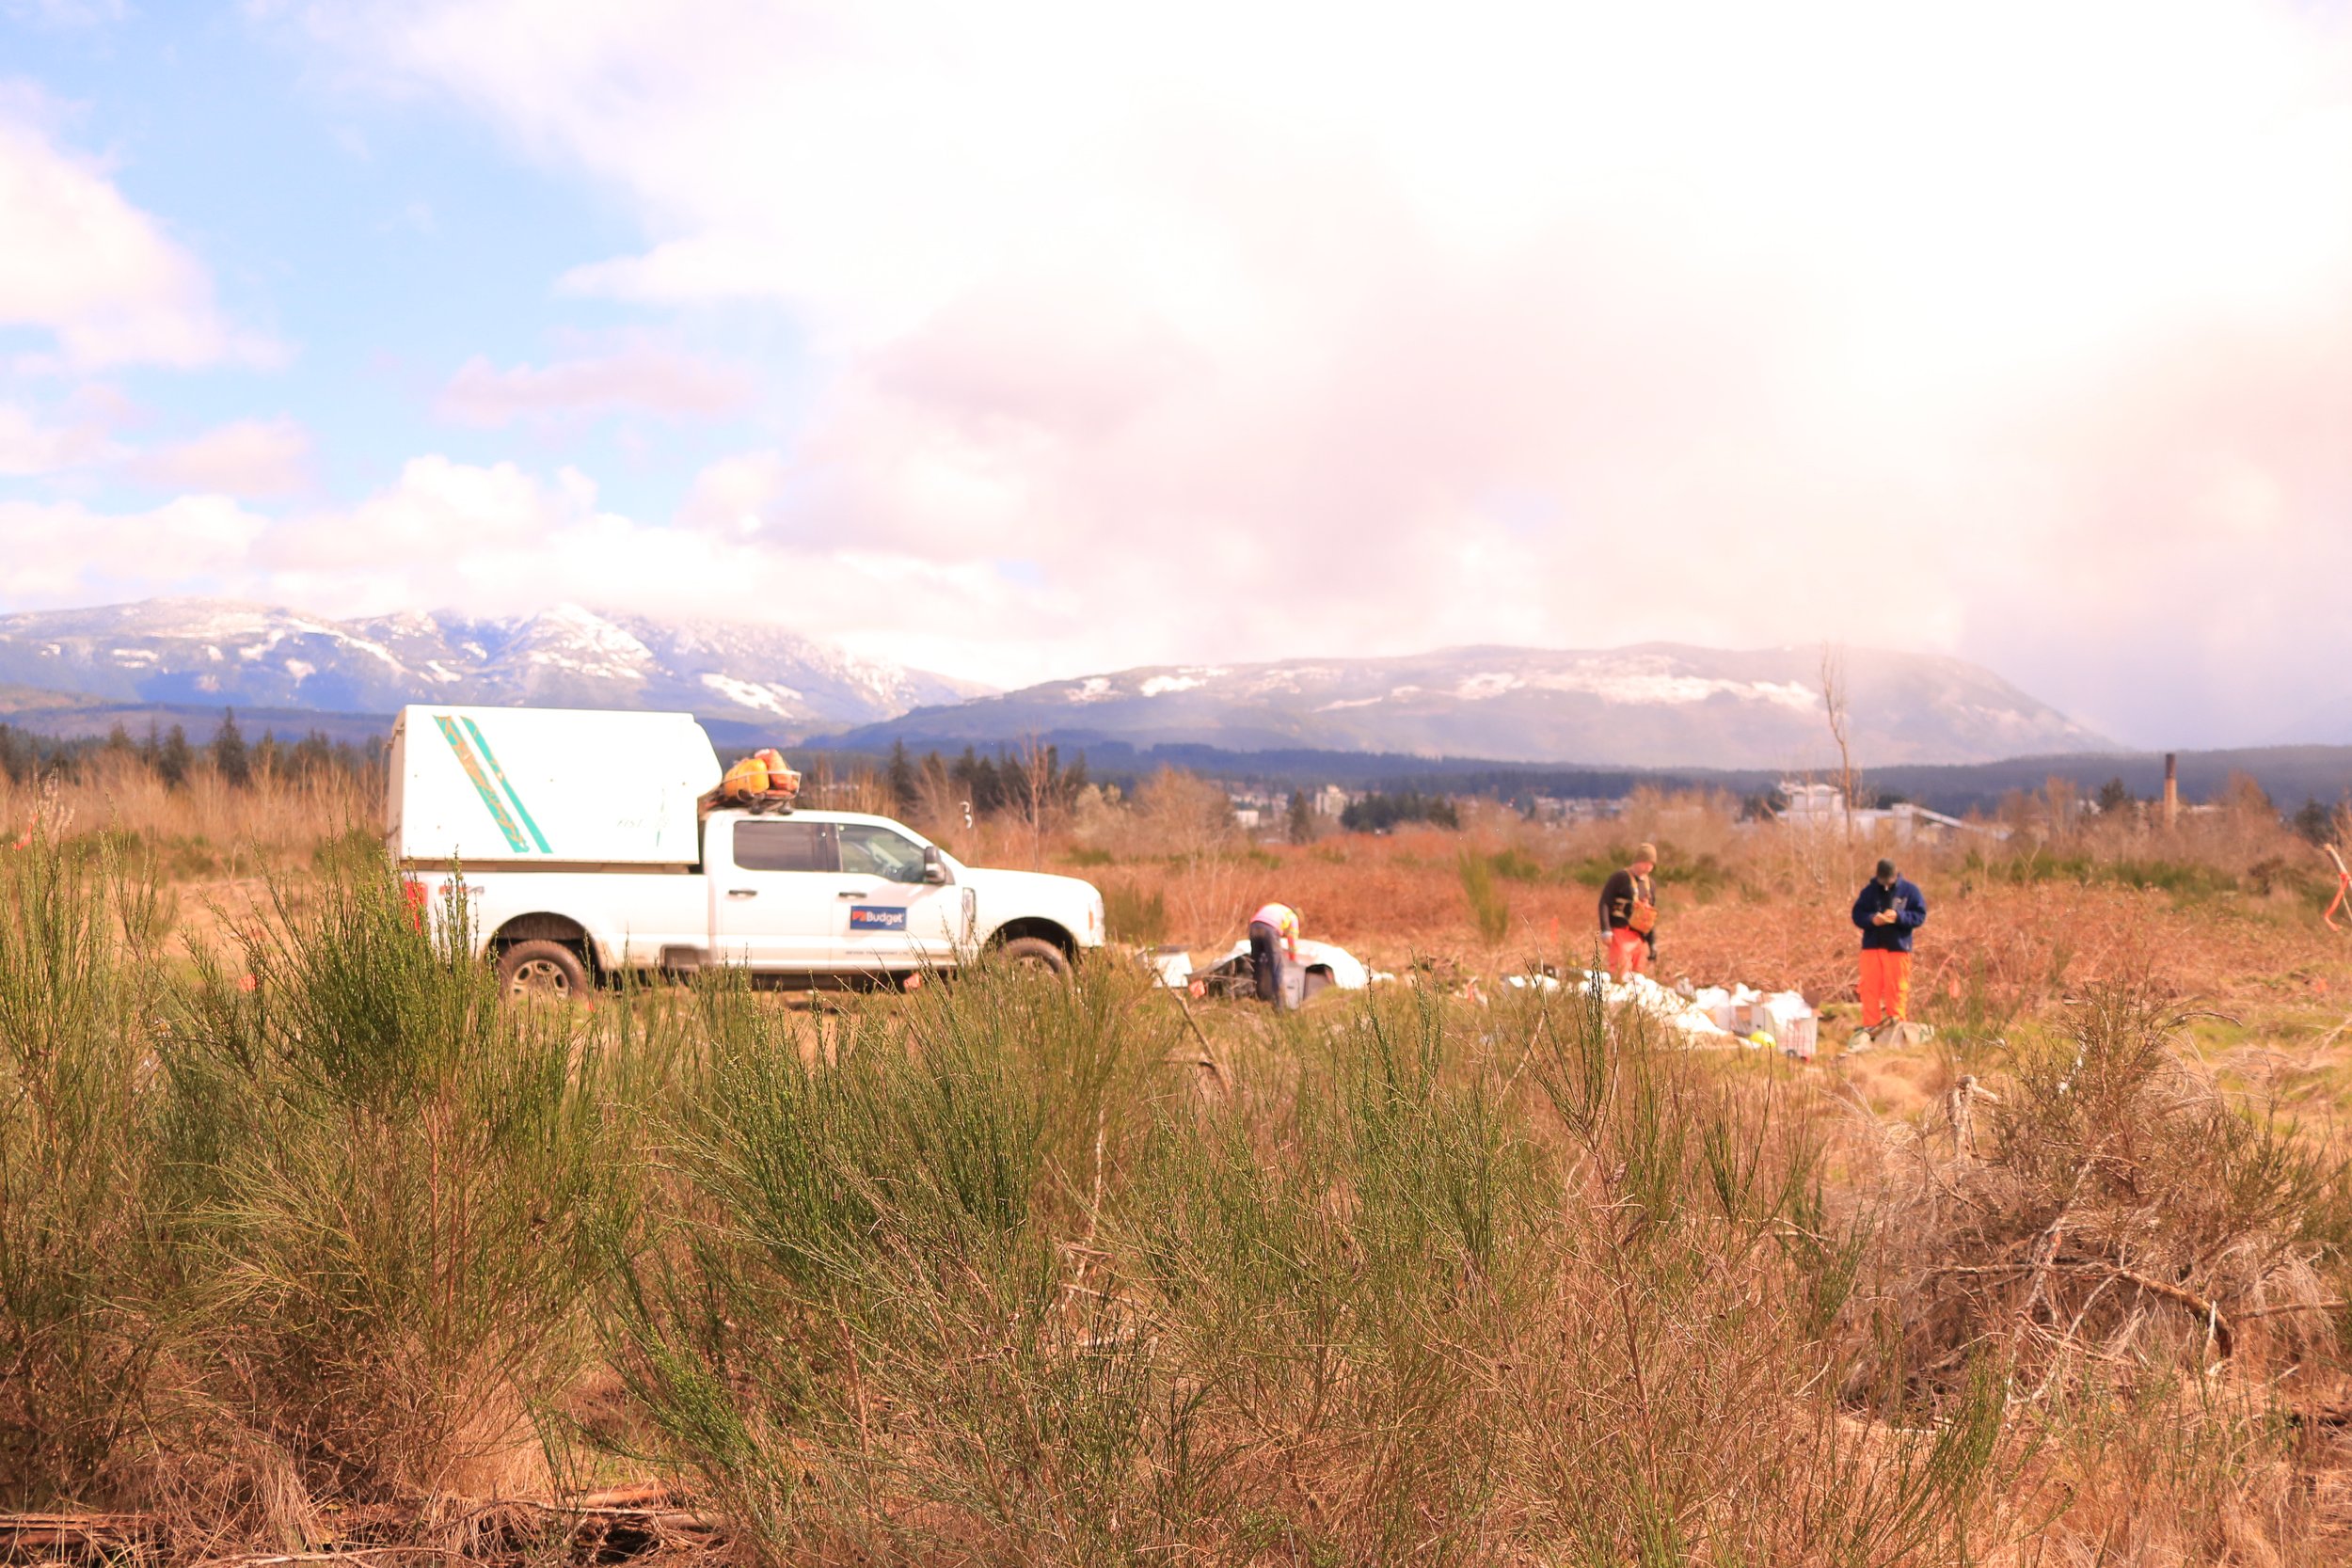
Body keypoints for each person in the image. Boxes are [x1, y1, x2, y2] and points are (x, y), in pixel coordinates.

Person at [1851, 858, 1928, 1039]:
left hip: (1898, 949)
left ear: (1895, 875)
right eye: (1882, 880)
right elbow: (1857, 915)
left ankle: (1897, 1030)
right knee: (1869, 990)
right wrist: (1872, 920)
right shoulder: (1868, 892)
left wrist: (1899, 916)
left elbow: (1919, 916)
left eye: (1889, 880)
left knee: (1897, 991)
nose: (1886, 883)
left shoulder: (1910, 891)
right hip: (1872, 949)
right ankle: (1870, 1030)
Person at [1597, 843, 1659, 979]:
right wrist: (1606, 930)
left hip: (1640, 937)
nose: (1648, 867)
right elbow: (1605, 902)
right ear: (1638, 860)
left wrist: (1652, 943)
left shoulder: (1651, 885)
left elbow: (1650, 917)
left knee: (1638, 979)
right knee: (1621, 974)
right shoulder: (1620, 878)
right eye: (1645, 862)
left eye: (1651, 864)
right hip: (1620, 932)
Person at [1248, 900, 1302, 1010]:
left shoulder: (1273, 906)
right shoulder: (1292, 916)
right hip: (1270, 929)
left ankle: (1258, 998)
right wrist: (1293, 957)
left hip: (1254, 926)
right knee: (1277, 967)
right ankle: (1279, 1006)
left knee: (1257, 964)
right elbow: (1292, 938)